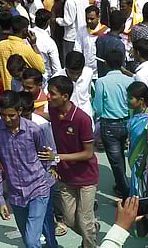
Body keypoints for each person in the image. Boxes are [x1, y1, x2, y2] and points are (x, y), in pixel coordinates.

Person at [0, 90, 59, 248]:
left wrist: (50, 169)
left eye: (11, 115)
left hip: (38, 188)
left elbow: (45, 154)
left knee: (33, 241)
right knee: (27, 239)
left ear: (19, 111)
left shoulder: (34, 130)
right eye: (3, 115)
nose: (7, 119)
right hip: (15, 193)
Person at [45, 74, 99, 248]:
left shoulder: (82, 119)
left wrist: (57, 158)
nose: (48, 96)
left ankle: (89, 243)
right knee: (69, 219)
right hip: (66, 176)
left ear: (65, 97)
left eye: (52, 93)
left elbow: (88, 153)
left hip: (86, 178)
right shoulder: (52, 110)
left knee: (84, 220)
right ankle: (92, 229)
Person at [92, 49, 135, 199]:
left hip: (109, 125)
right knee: (121, 157)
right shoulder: (130, 80)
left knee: (115, 161)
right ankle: (122, 186)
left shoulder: (101, 82)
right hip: (126, 123)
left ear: (106, 64)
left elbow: (97, 107)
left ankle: (126, 193)